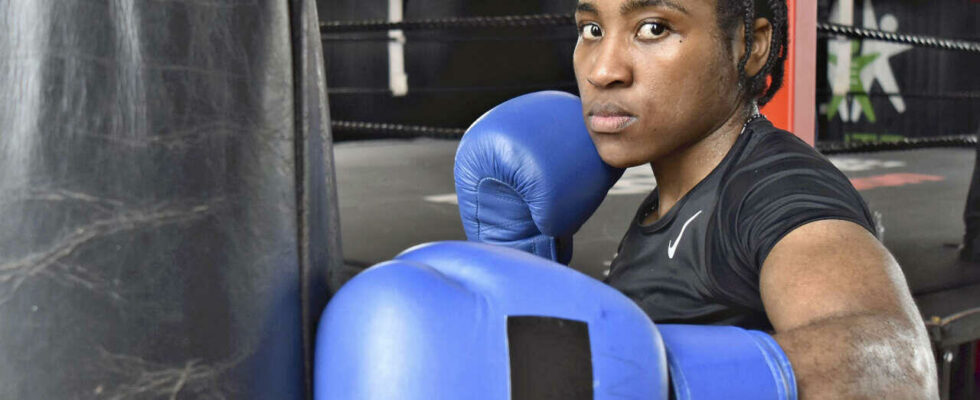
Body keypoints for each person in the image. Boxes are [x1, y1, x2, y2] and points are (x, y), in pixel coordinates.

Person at [571, 0, 937, 397]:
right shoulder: (680, 191)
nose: (603, 71)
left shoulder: (778, 188)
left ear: (751, 46)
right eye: (592, 30)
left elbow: (897, 368)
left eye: (654, 28)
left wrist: (648, 377)